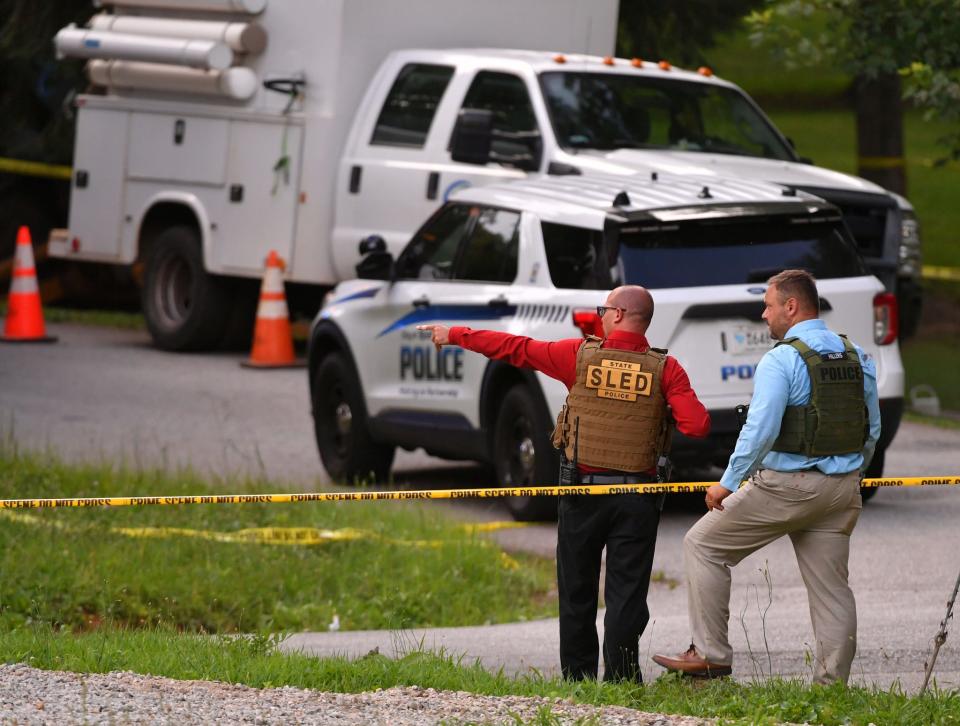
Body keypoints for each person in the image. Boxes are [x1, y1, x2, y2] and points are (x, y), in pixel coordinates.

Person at [418, 285, 710, 682]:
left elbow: (515, 347)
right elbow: (697, 425)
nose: (601, 314)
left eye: (604, 308)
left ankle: (579, 682)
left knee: (576, 589)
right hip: (637, 497)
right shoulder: (666, 369)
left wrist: (454, 335)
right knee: (626, 594)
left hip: (582, 492)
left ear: (620, 315)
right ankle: (623, 681)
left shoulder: (579, 356)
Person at [652, 269, 881, 685]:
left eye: (769, 305)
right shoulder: (856, 354)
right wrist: (850, 473)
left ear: (791, 307)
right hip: (842, 490)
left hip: (787, 487)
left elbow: (760, 429)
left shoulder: (782, 358)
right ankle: (831, 689)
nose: (763, 315)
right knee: (832, 591)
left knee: (703, 546)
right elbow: (873, 428)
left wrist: (728, 481)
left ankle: (710, 655)